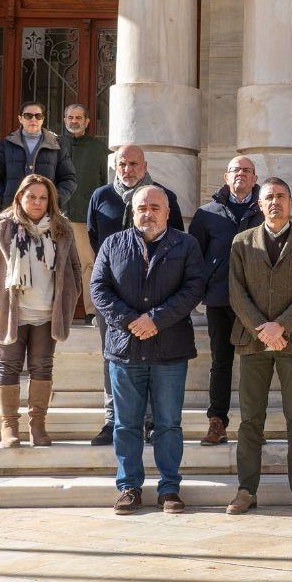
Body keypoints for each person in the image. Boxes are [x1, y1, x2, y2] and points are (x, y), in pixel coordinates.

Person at [91, 185, 206, 516]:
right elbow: (98, 288)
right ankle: (128, 487)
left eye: (156, 207)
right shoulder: (113, 244)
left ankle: (169, 488)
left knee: (168, 423)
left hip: (169, 350)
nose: (149, 213)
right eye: (142, 207)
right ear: (133, 211)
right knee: (126, 424)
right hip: (125, 351)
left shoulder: (186, 245)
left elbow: (193, 287)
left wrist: (155, 320)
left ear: (167, 212)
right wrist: (130, 321)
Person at [225, 178, 292, 516]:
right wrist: (262, 329)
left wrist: (282, 326)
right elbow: (236, 292)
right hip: (252, 342)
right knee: (251, 419)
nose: (275, 202)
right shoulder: (241, 242)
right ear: (259, 203)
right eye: (269, 197)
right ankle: (245, 490)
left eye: (281, 196)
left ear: (291, 202)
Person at [0, 175, 82, 448]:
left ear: (50, 201)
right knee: (8, 367)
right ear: (20, 197)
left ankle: (37, 425)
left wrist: (69, 298)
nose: (37, 203)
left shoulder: (62, 229)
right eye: (32, 197)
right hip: (12, 313)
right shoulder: (2, 227)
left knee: (43, 368)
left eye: (43, 198)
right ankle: (9, 425)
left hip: (47, 314)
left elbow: (75, 270)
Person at [86, 145, 185, 446]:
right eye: (122, 164)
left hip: (157, 299)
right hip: (115, 301)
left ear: (145, 165)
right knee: (111, 357)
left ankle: (152, 422)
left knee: (156, 360)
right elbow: (95, 239)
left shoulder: (164, 197)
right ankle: (112, 420)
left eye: (133, 164)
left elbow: (178, 241)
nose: (127, 169)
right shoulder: (101, 197)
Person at [187, 157, 263, 445]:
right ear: (226, 176)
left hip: (256, 301)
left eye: (246, 171)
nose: (241, 175)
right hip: (219, 299)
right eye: (235, 170)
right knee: (221, 362)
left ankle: (254, 425)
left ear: (255, 178)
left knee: (255, 364)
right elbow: (194, 258)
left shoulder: (264, 210)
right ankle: (217, 422)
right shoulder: (207, 214)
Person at [0, 100, 77, 212]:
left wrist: (54, 202)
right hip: (13, 212)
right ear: (20, 119)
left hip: (45, 214)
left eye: (38, 116)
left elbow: (69, 179)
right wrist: (3, 203)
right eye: (28, 116)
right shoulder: (7, 145)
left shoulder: (56, 145)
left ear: (43, 119)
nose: (33, 119)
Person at [59, 104, 106, 321]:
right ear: (65, 119)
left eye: (78, 117)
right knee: (54, 263)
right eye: (70, 117)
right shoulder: (54, 146)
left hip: (83, 216)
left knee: (88, 264)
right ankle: (55, 312)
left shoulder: (98, 149)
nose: (74, 121)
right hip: (55, 216)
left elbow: (105, 184)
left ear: (87, 122)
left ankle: (90, 311)